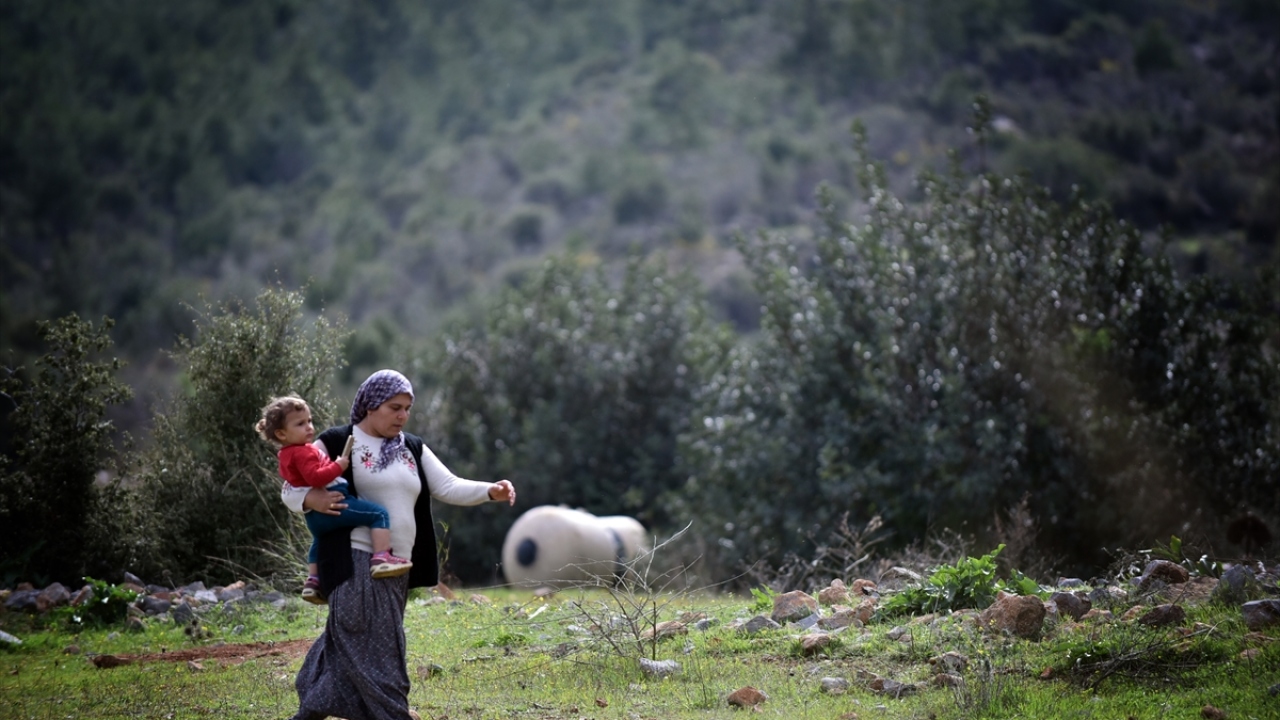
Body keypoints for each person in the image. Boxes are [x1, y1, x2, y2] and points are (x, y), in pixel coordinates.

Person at [281, 369, 517, 720]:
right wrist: (312, 499)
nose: (403, 416)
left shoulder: (411, 447)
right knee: (378, 646)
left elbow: (448, 485)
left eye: (407, 408)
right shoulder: (336, 442)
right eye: (394, 408)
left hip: (395, 567)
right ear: (370, 406)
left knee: (357, 641)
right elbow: (290, 487)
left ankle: (314, 705)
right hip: (353, 560)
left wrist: (490, 491)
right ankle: (393, 713)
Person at [256, 394, 413, 604]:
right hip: (336, 504)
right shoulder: (302, 452)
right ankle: (381, 557)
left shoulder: (286, 455)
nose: (309, 427)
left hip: (315, 517)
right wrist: (338, 466)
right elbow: (315, 477)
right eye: (300, 424)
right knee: (378, 514)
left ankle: (313, 580)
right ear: (281, 433)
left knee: (319, 540)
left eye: (309, 421)